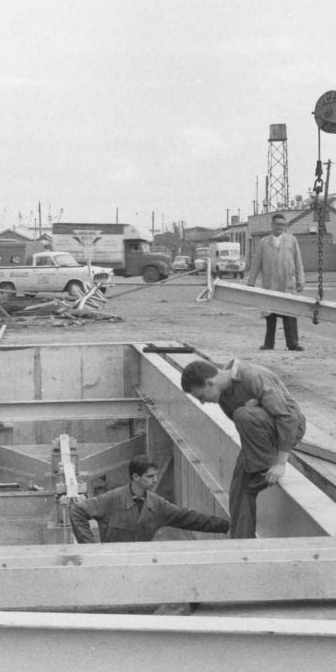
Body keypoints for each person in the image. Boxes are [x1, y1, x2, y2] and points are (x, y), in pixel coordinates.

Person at [180, 358, 306, 539]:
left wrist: (280, 462)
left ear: (209, 383)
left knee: (244, 415)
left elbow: (288, 418)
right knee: (239, 487)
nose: (202, 402)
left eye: (201, 396)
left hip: (289, 428)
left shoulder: (252, 376)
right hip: (261, 436)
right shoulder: (223, 396)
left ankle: (261, 472)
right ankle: (241, 544)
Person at [68, 455, 229, 544]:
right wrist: (90, 548)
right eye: (150, 476)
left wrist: (225, 525)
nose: (155, 480)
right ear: (136, 477)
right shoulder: (112, 499)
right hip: (114, 567)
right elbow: (78, 511)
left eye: (155, 475)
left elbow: (187, 517)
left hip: (142, 567)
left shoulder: (157, 504)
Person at [247, 211, 306, 351]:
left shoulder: (292, 240)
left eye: (283, 225)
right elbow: (256, 263)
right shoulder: (263, 242)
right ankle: (268, 344)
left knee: (289, 314)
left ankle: (293, 344)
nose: (280, 227)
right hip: (270, 284)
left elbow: (298, 261)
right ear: (272, 225)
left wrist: (300, 280)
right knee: (270, 315)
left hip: (287, 283)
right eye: (277, 224)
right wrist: (251, 283)